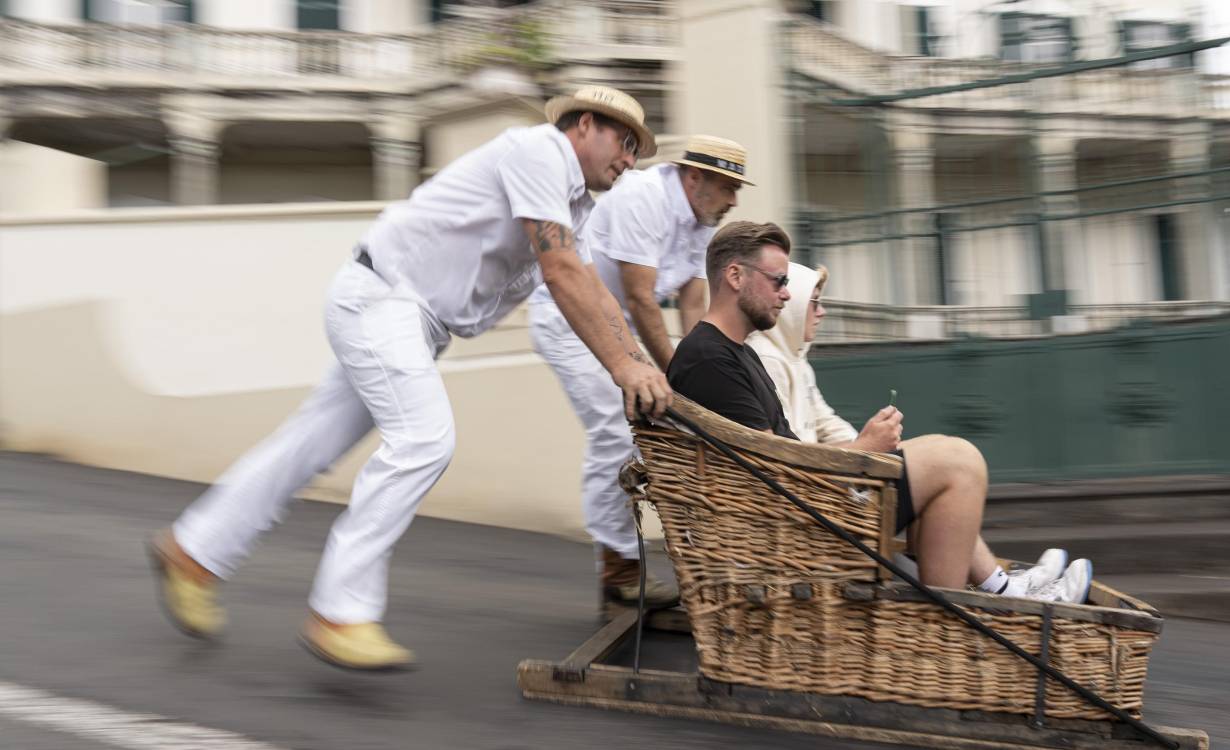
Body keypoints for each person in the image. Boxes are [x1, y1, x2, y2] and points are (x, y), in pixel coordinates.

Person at [146, 86, 673, 672]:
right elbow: (561, 270)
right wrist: (624, 366)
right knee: (424, 440)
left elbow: (592, 287)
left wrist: (639, 365)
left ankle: (192, 551)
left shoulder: (577, 206)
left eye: (637, 150)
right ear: (583, 126)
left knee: (308, 444)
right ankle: (340, 612)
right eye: (625, 142)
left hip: (408, 319)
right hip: (385, 299)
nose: (630, 160)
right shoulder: (539, 152)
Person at [667, 222, 1091, 602]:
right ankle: (959, 619)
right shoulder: (709, 359)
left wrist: (865, 452)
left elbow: (779, 455)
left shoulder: (735, 354)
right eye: (778, 280)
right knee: (958, 463)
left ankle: (990, 597)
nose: (785, 292)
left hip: (811, 509)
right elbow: (774, 473)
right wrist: (862, 450)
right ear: (735, 276)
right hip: (798, 525)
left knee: (943, 456)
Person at [528, 135, 750, 608]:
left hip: (619, 324)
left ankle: (686, 560)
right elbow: (640, 298)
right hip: (571, 320)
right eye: (728, 186)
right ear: (695, 177)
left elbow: (693, 303)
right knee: (616, 429)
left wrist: (701, 378)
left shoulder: (702, 221)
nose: (734, 199)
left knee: (661, 428)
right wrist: (677, 381)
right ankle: (619, 569)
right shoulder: (643, 196)